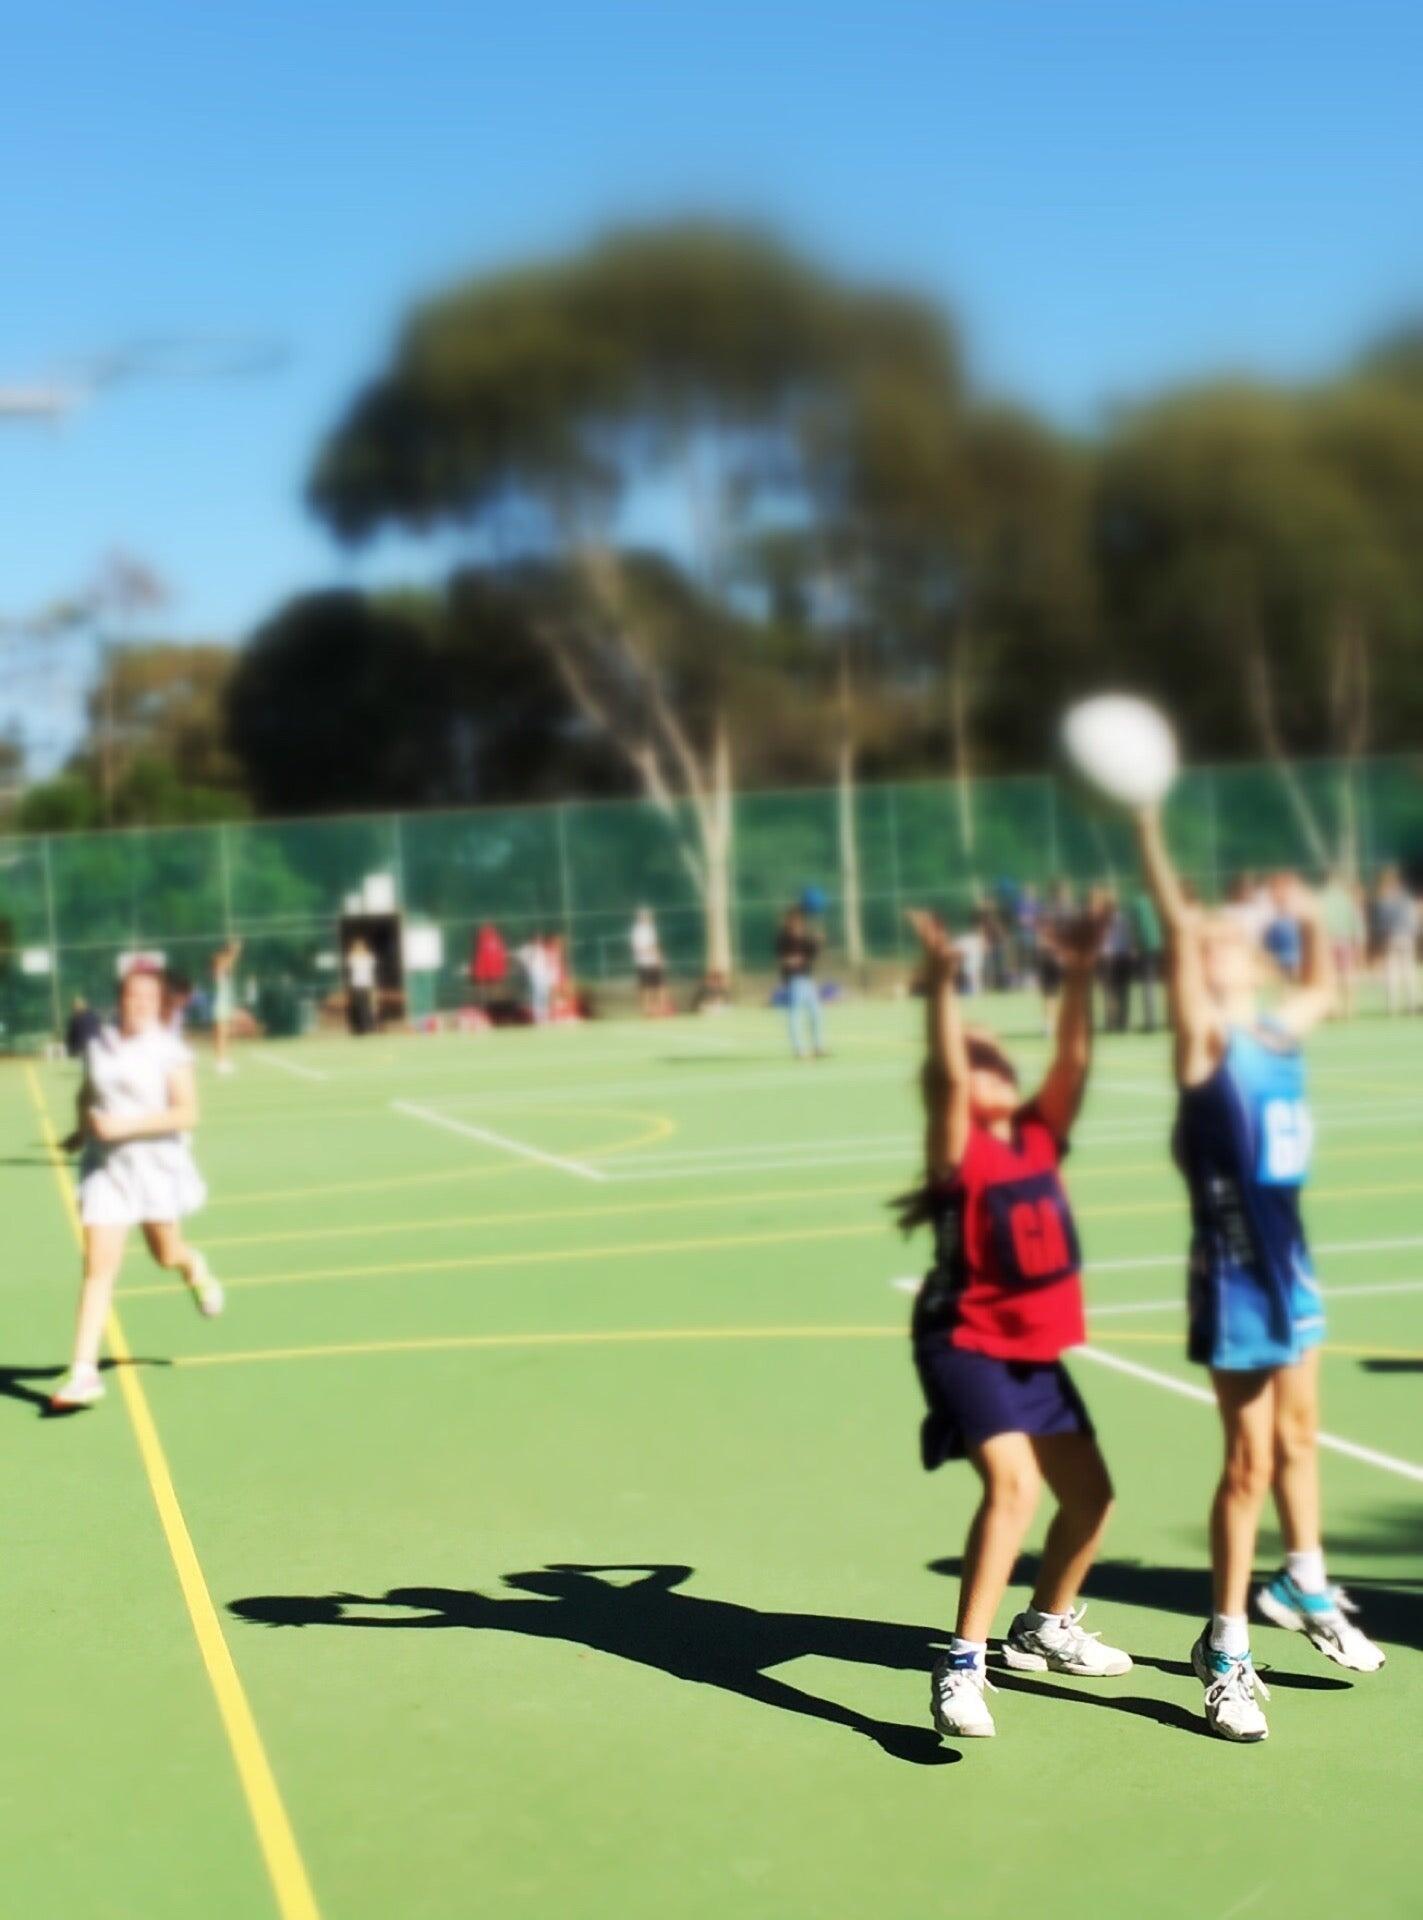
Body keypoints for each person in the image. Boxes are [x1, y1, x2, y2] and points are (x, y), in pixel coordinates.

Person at [1133, 809, 1385, 1743]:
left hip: (1292, 1270)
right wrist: (1152, 831)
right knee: (1246, 1467)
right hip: (1234, 1279)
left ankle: (1304, 1583)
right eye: (1208, 947)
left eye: (1230, 943)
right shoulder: (1205, 1044)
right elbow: (1172, 929)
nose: (1220, 952)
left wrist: (1309, 910)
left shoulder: (1275, 1035)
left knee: (1301, 1438)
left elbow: (1324, 980)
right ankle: (1226, 1650)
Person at [899, 905, 1132, 1742]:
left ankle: (1044, 1624)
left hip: (1029, 1351)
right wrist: (943, 986)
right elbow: (946, 1078)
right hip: (962, 1338)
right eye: (981, 1063)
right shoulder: (960, 1148)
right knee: (1015, 1486)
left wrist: (1076, 972)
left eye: (999, 1061)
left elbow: (1072, 1055)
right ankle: (960, 1664)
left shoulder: (1037, 1135)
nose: (994, 1071)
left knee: (1093, 1498)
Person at [49, 964, 223, 1413]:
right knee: (98, 1268)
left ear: (160, 1002)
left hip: (156, 1170)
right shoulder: (101, 1046)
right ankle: (84, 1371)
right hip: (106, 1171)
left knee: (166, 1254)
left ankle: (194, 1267)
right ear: (120, 999)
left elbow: (187, 1114)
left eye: (149, 997)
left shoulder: (170, 1051)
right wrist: (78, 1131)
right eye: (132, 995)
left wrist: (124, 1126)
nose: (140, 1003)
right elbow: (89, 1091)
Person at [775, 906, 825, 1059]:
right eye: (795, 920)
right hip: (794, 980)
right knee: (795, 1014)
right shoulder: (783, 938)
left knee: (816, 1013)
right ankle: (799, 1049)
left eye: (800, 920)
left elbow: (812, 955)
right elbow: (782, 958)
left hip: (807, 979)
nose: (798, 923)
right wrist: (790, 961)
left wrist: (818, 942)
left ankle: (818, 1046)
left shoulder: (805, 937)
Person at [1372, 867, 1419, 1015]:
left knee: (1391, 973)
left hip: (1390, 937)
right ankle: (1411, 1004)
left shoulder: (1384, 899)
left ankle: (1392, 1007)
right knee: (1408, 971)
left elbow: (1381, 922)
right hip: (1406, 936)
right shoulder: (1406, 898)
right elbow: (1413, 918)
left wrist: (1380, 938)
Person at [1319, 872, 1364, 1019]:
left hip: (1326, 942)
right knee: (1347, 974)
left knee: (1330, 977)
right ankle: (1349, 1008)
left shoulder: (1320, 899)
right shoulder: (1346, 899)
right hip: (1344, 940)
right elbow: (1356, 921)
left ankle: (1334, 1009)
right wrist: (1358, 941)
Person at [631, 907, 670, 1017]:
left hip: (654, 963)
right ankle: (647, 1010)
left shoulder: (651, 929)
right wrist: (652, 951)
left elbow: (656, 946)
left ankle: (661, 1008)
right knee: (646, 987)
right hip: (644, 963)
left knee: (660, 986)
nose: (647, 918)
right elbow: (639, 948)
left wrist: (659, 958)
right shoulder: (637, 931)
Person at [212, 938, 241, 1074]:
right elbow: (223, 968)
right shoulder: (221, 959)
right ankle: (220, 1062)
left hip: (225, 999)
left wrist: (234, 952)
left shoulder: (227, 960)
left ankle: (223, 1060)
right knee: (221, 1032)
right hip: (220, 999)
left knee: (225, 1032)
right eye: (235, 947)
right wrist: (233, 952)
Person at [517, 932, 555, 1026]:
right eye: (537, 939)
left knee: (544, 995)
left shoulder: (541, 949)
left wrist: (549, 975)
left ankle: (545, 1017)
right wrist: (528, 964)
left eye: (540, 940)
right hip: (534, 975)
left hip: (544, 975)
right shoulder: (528, 949)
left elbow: (547, 962)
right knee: (537, 996)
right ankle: (538, 1018)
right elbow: (520, 957)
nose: (538, 941)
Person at [345, 938, 378, 1035]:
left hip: (366, 985)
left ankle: (368, 1028)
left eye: (360, 947)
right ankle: (358, 1029)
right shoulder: (353, 958)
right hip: (356, 986)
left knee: (366, 1007)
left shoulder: (369, 958)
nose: (359, 949)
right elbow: (349, 963)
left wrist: (373, 988)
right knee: (357, 1007)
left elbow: (371, 973)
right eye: (357, 947)